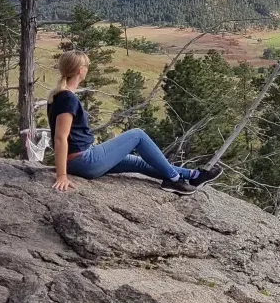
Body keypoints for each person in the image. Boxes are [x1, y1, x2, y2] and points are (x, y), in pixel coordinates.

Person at [48, 50, 221, 195]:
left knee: (138, 162)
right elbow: (60, 138)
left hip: (82, 160)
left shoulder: (58, 96)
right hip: (84, 161)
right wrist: (61, 175)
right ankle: (174, 180)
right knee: (137, 135)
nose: (87, 69)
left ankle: (193, 175)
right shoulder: (67, 98)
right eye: (86, 66)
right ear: (80, 70)